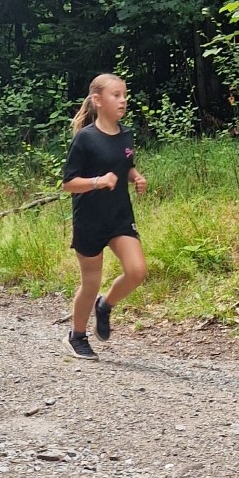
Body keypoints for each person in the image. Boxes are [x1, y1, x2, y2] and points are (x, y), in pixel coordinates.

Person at [61, 72, 148, 358]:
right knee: (90, 282)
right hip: (89, 220)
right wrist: (98, 181)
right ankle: (76, 336)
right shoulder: (85, 139)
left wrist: (136, 177)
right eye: (116, 95)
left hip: (119, 216)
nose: (123, 101)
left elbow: (126, 165)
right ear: (97, 101)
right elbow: (68, 184)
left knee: (137, 271)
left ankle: (105, 305)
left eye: (125, 95)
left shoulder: (126, 135)